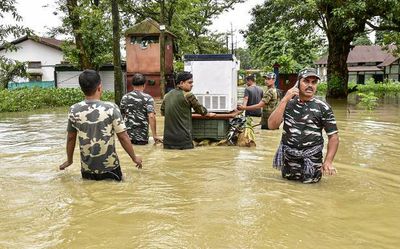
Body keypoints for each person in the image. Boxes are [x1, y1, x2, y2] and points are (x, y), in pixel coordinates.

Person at [59, 69, 142, 181]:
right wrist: (134, 158)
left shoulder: (74, 110)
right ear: (99, 87)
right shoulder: (111, 108)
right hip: (110, 168)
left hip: (87, 169)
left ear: (82, 89)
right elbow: (123, 137)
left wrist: (69, 160)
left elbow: (70, 138)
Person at [268, 68, 339, 183]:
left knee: (311, 194)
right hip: (289, 161)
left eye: (314, 82)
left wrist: (328, 161)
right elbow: (271, 125)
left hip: (311, 162)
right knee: (286, 191)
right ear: (297, 83)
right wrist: (285, 99)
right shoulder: (288, 103)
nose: (310, 85)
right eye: (306, 81)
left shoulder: (323, 107)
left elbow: (333, 137)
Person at [161, 71, 215, 149]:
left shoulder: (166, 96)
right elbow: (200, 110)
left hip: (168, 140)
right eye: (189, 82)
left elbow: (163, 113)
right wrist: (209, 114)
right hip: (183, 140)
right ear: (181, 83)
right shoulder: (188, 95)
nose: (192, 85)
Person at [120, 73, 162, 145]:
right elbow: (151, 116)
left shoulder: (125, 98)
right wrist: (154, 135)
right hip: (142, 137)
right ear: (144, 85)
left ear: (132, 85)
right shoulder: (148, 98)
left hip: (127, 137)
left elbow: (121, 117)